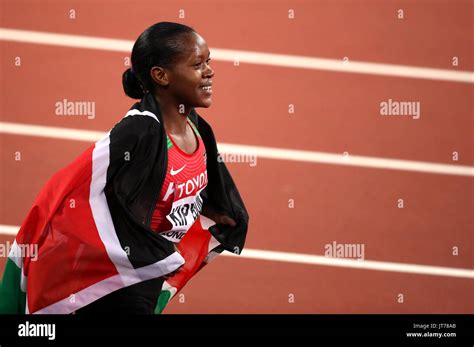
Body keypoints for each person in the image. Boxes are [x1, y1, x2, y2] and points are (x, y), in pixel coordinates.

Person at [0, 22, 249, 314]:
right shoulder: (140, 132)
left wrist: (222, 213)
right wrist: (152, 255)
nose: (209, 71)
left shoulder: (194, 124)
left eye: (208, 61)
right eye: (197, 64)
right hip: (122, 280)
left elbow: (200, 185)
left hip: (150, 271)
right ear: (161, 75)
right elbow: (86, 187)